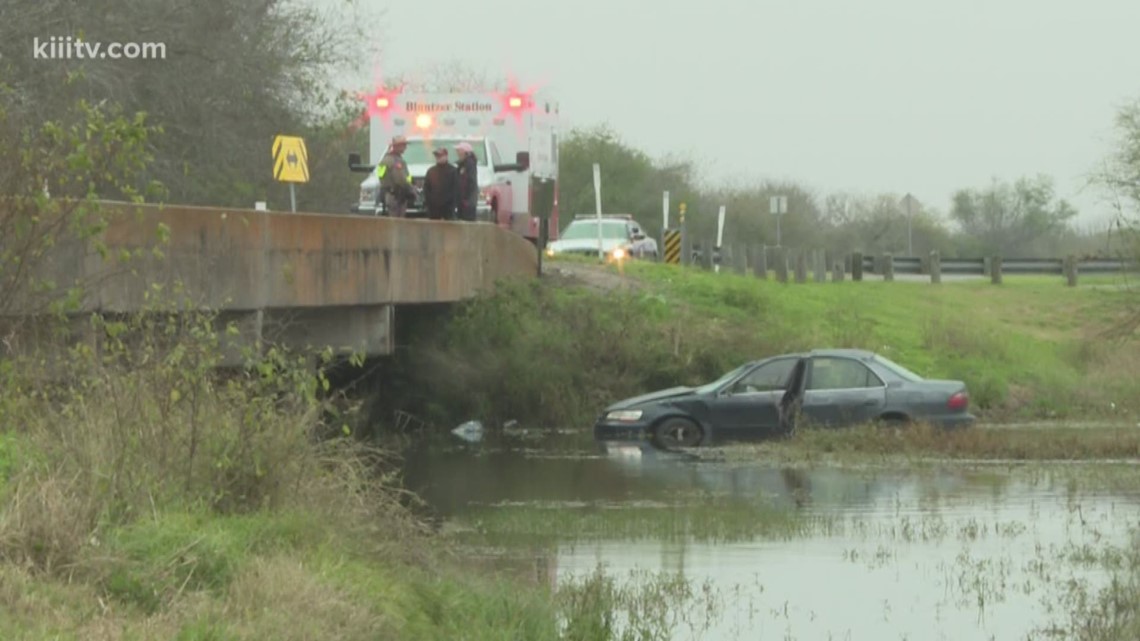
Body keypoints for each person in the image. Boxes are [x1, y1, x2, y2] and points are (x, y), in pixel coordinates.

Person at [374, 135, 415, 217]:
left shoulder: (384, 160)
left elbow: (380, 175)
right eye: (403, 145)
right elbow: (401, 180)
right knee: (398, 222)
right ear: (397, 146)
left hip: (389, 195)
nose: (405, 147)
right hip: (397, 197)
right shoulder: (396, 162)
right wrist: (411, 189)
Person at [422, 147, 459, 220]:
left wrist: (453, 205)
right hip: (434, 209)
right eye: (436, 156)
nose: (438, 157)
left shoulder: (453, 171)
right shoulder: (431, 171)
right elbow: (426, 188)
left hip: (448, 209)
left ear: (446, 156)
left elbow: (456, 189)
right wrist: (429, 203)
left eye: (440, 155)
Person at [455, 141, 479, 222]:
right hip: (462, 202)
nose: (457, 153)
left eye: (459, 150)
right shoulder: (462, 165)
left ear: (464, 152)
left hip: (467, 203)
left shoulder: (469, 164)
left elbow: (470, 182)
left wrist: (466, 200)